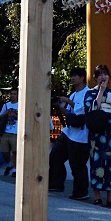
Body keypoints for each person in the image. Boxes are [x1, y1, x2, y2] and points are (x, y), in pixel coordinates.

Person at [84, 64, 111, 208]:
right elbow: (93, 108)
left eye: (105, 74)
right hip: (97, 132)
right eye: (99, 74)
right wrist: (101, 90)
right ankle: (97, 196)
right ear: (95, 77)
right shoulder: (90, 93)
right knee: (96, 162)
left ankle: (110, 198)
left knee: (110, 164)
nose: (103, 76)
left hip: (110, 131)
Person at [48, 67, 91, 199]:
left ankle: (81, 192)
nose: (72, 78)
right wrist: (59, 106)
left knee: (77, 164)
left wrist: (67, 102)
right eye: (71, 76)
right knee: (55, 155)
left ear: (82, 77)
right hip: (69, 131)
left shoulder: (89, 93)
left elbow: (83, 110)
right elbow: (68, 113)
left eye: (75, 76)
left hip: (82, 133)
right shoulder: (72, 94)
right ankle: (56, 183)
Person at [0, 89, 19, 177]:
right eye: (11, 94)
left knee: (15, 151)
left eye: (14, 94)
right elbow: (0, 116)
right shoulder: (6, 105)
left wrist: (16, 115)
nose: (12, 95)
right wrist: (6, 113)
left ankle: (15, 169)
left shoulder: (20, 105)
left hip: (15, 131)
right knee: (4, 151)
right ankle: (10, 164)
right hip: (6, 131)